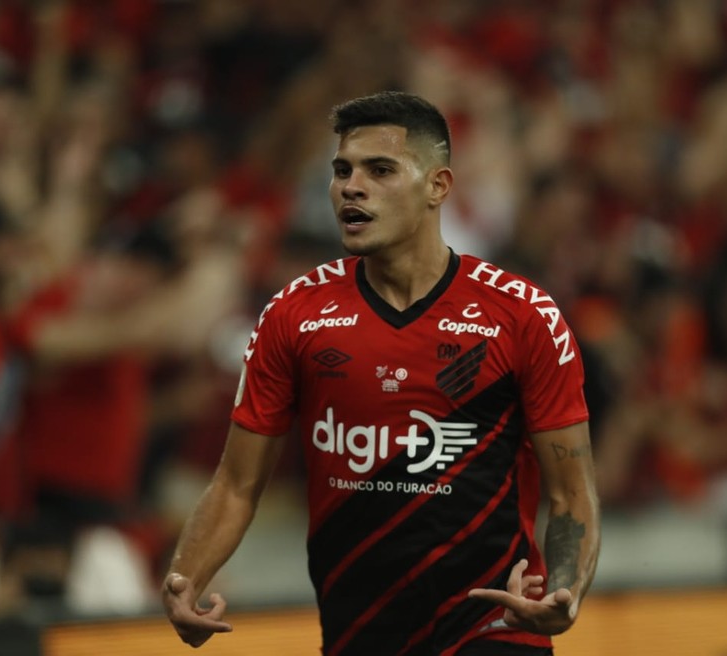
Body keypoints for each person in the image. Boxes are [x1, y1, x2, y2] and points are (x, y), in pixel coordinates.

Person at [161, 91, 600, 655]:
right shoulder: (294, 315)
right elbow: (236, 484)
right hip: (359, 636)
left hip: (493, 628)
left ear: (437, 186)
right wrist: (186, 577)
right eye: (342, 170)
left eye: (380, 170)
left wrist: (564, 589)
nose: (351, 186)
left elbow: (571, 493)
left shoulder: (522, 315)